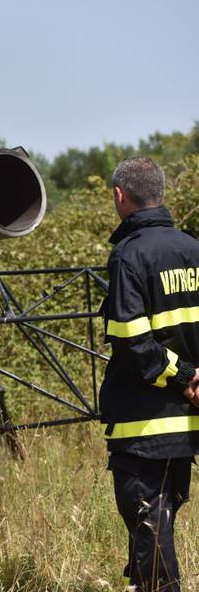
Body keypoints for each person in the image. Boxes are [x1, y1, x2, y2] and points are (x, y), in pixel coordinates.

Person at [100, 157, 199, 592]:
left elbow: (132, 342)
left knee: (149, 526)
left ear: (120, 195)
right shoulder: (193, 248)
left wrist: (183, 377)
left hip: (144, 425)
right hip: (187, 422)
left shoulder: (130, 255)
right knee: (157, 523)